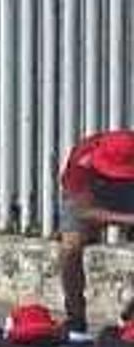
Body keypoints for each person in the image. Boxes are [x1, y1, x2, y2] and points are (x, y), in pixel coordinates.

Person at [52, 123, 134, 328]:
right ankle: (75, 315)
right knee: (70, 248)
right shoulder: (82, 159)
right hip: (90, 195)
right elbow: (84, 211)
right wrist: (128, 219)